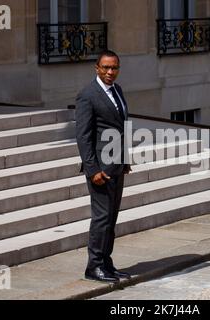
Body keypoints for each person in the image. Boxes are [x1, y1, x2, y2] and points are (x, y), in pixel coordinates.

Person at [75, 50, 132, 283]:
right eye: (106, 68)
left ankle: (106, 263)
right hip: (99, 169)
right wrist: (92, 170)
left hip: (116, 166)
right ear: (96, 68)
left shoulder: (117, 90)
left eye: (114, 68)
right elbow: (83, 136)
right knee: (101, 218)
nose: (110, 72)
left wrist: (125, 160)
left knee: (112, 217)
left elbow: (121, 128)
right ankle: (94, 266)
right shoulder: (87, 95)